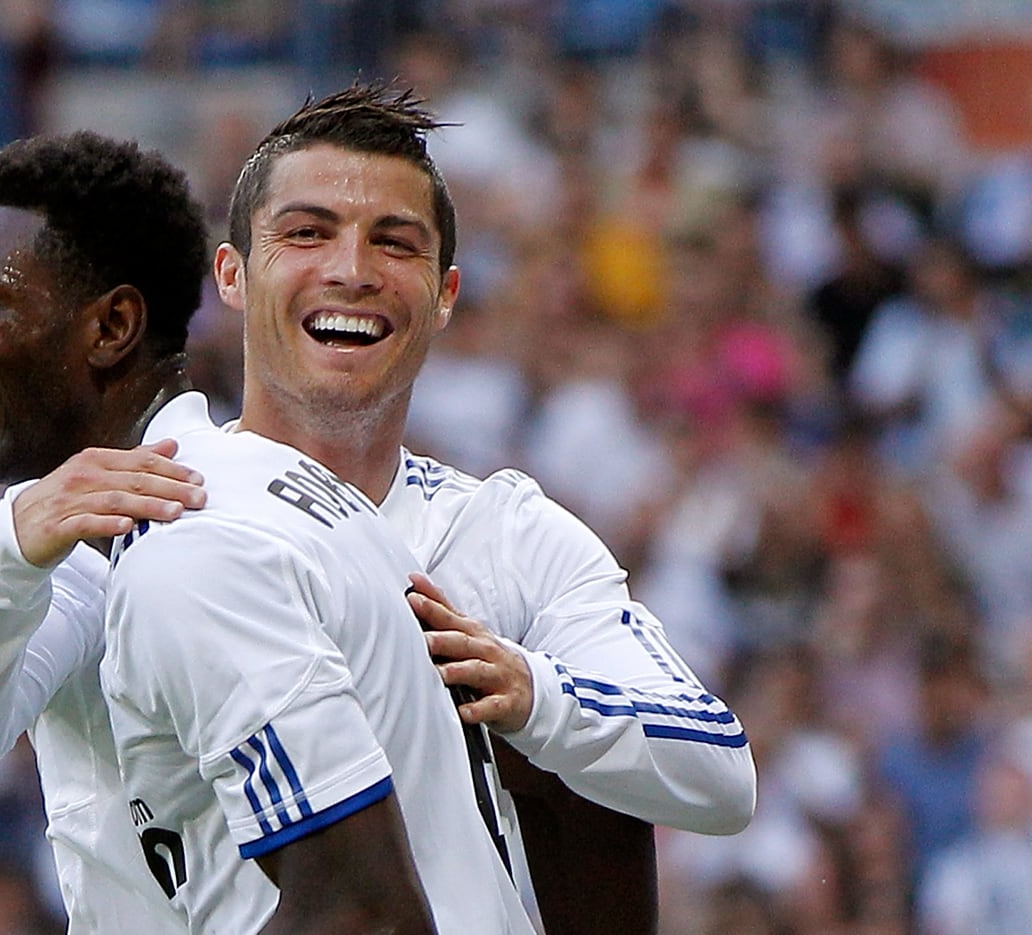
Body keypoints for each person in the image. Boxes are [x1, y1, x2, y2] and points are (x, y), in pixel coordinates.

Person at [0, 131, 534, 933]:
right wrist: (6, 544)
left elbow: (361, 911)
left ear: (112, 325)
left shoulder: (194, 549)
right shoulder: (132, 533)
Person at [209, 83, 757, 931]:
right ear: (233, 273)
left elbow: (721, 774)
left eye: (394, 243)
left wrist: (534, 696)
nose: (352, 271)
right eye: (307, 233)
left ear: (446, 294)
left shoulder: (506, 536)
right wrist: (17, 553)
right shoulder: (146, 512)